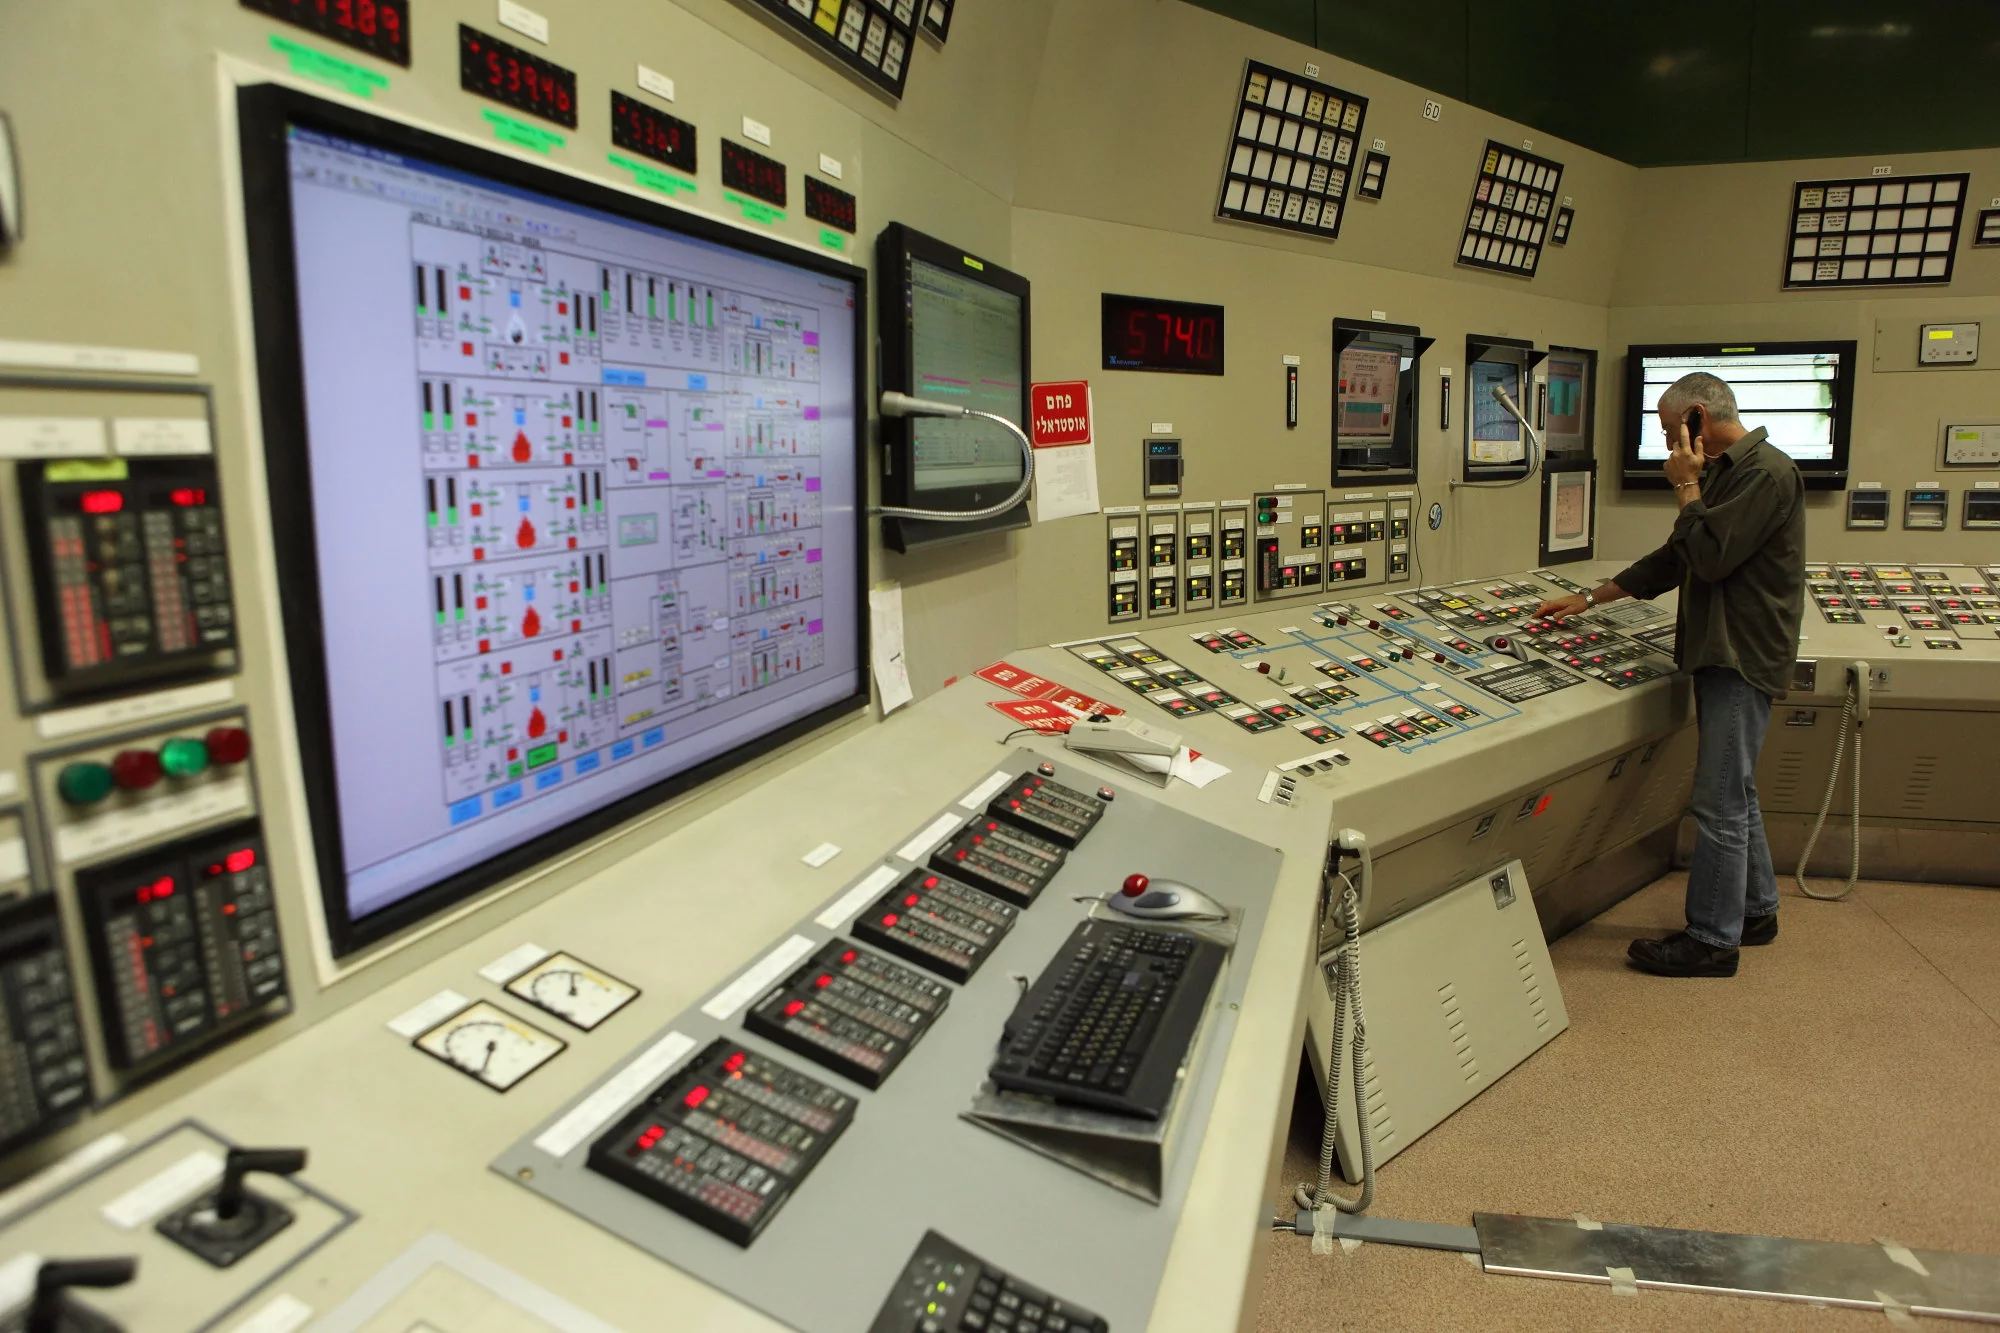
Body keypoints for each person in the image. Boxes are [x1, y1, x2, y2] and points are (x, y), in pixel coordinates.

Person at [1533, 372, 1805, 977]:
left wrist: (1686, 488)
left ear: (1697, 420)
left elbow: (1707, 558)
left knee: (1718, 803)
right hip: (1723, 652)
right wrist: (1590, 599)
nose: (1667, 448)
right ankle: (1756, 909)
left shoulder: (1763, 473)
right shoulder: (1735, 472)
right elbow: (1676, 558)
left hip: (1740, 657)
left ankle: (1712, 940)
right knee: (1736, 792)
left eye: (1668, 431)